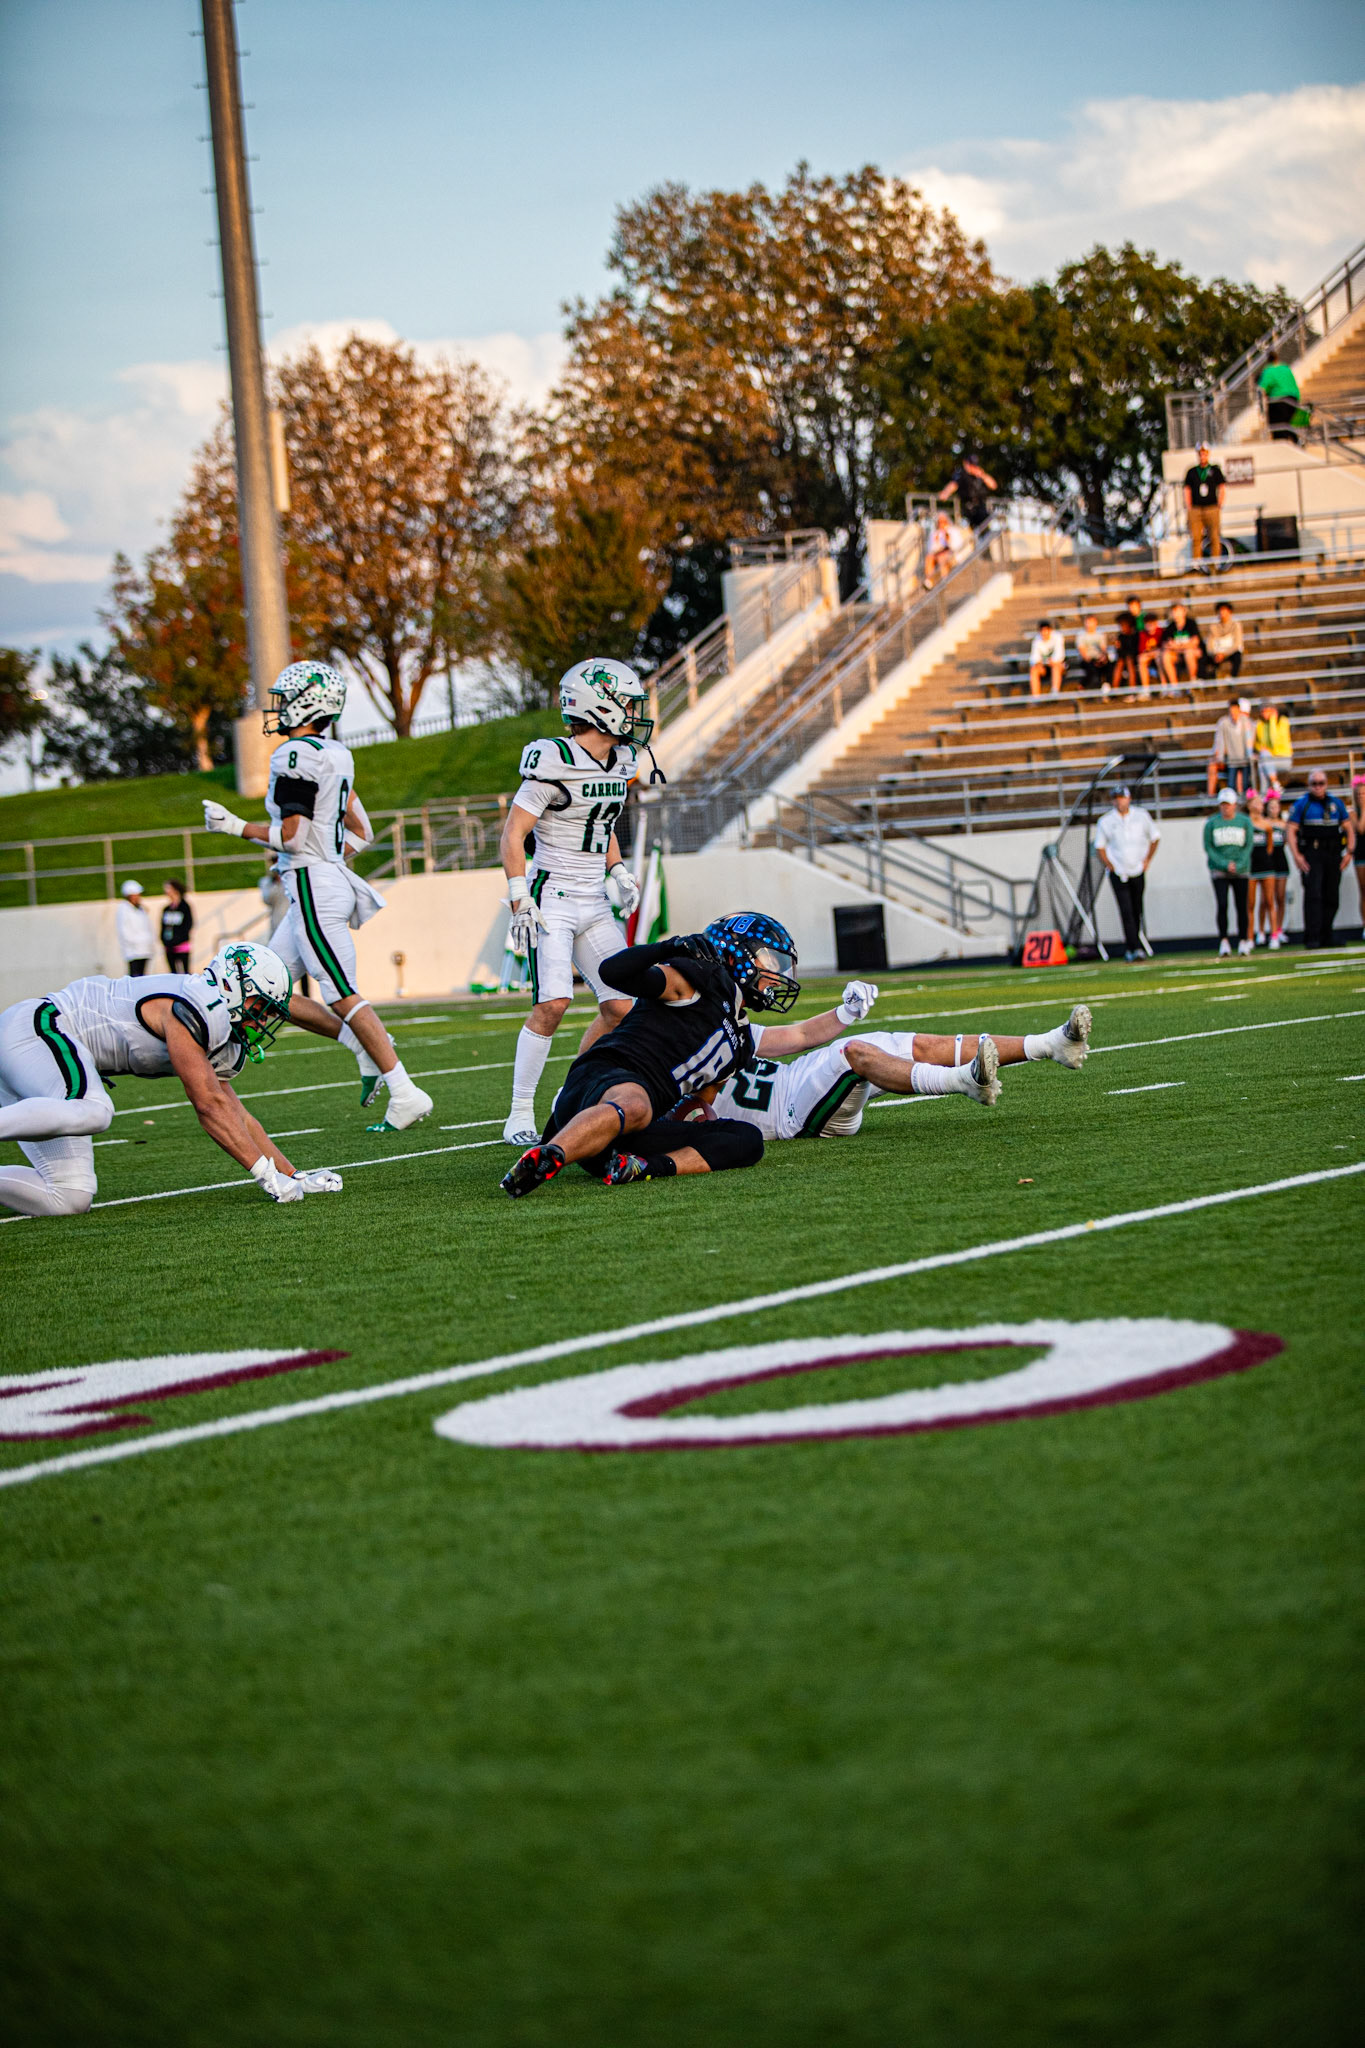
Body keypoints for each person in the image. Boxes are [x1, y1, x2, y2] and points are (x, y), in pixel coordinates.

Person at [202, 660, 432, 1131]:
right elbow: (362, 832)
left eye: (286, 700)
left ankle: (405, 1091)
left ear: (307, 704)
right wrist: (328, 859)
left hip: (311, 884)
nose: (278, 709)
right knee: (263, 987)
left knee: (342, 993)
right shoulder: (336, 753)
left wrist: (233, 826)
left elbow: (291, 837)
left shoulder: (294, 755)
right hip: (322, 880)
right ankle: (361, 1049)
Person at [0, 942, 342, 1218]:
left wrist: (292, 1175)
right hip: (38, 1028)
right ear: (234, 988)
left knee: (69, 1196)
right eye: (260, 1008)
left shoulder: (214, 1020)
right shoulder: (199, 1006)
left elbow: (235, 1114)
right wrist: (266, 1177)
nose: (262, 1020)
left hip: (39, 1057)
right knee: (94, 1110)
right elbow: (208, 1106)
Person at [501, 914, 833, 1196]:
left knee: (746, 1139)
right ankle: (549, 1156)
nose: (777, 977)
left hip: (626, 1131)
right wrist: (668, 947)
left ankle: (642, 1167)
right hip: (603, 1078)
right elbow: (613, 973)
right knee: (636, 1104)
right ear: (736, 957)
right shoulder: (699, 979)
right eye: (770, 963)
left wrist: (696, 1119)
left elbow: (700, 1102)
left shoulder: (741, 1040)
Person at [499, 658, 650, 1145]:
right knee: (553, 1003)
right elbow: (513, 833)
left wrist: (617, 869)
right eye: (626, 703)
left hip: (594, 899)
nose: (634, 713)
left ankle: (570, 1095)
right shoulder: (553, 760)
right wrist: (519, 895)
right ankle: (519, 1111)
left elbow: (601, 823)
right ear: (600, 706)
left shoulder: (621, 762)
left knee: (623, 1006)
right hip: (553, 897)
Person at [698, 1003, 1093, 1145]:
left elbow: (799, 1036)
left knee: (908, 1044)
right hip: (791, 1115)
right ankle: (964, 1082)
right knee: (853, 1055)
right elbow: (694, 1118)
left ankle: (1050, 1044)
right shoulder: (665, 1067)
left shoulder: (702, 1028)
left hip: (796, 1074)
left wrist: (845, 1011)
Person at [1287, 771, 1355, 949]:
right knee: (1314, 895)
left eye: (1321, 783)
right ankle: (1313, 936)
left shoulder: (1336, 803)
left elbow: (1348, 828)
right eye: (1314, 783)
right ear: (1309, 785)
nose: (1318, 787)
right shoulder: (1302, 804)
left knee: (1332, 895)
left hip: (1333, 854)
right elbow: (1291, 830)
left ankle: (1327, 934)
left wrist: (1349, 852)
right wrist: (1297, 855)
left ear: (1326, 784)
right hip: (1312, 853)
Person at [1093, 785, 1160, 961]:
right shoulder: (1106, 821)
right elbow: (1100, 846)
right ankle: (1133, 947)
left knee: (1137, 909)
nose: (1119, 801)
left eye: (1121, 798)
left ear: (1129, 798)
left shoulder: (1141, 816)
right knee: (1126, 910)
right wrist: (1110, 865)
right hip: (1118, 872)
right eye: (1116, 798)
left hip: (1137, 870)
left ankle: (1134, 944)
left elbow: (1155, 837)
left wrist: (1147, 859)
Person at [1204, 789, 1254, 957]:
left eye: (1228, 804)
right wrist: (1224, 864)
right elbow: (1209, 847)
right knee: (1222, 904)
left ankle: (1243, 940)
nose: (1225, 808)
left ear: (1234, 805)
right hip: (1219, 871)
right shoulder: (1212, 823)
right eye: (1223, 804)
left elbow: (1248, 845)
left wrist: (1238, 864)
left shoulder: (1244, 821)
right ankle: (1224, 941)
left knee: (1242, 906)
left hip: (1241, 870)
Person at [1249, 791, 1289, 949]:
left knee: (1278, 898)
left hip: (1276, 862)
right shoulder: (1260, 823)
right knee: (1261, 901)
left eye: (1276, 806)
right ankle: (1259, 932)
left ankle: (1277, 931)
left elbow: (1276, 845)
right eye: (1270, 806)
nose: (1273, 809)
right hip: (1259, 864)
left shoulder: (1281, 825)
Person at [1183, 443, 1226, 571]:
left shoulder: (1215, 470)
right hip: (1196, 509)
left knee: (1214, 536)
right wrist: (1189, 506)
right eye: (1201, 453)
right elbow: (1187, 489)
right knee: (1196, 537)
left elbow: (1222, 487)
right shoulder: (1191, 471)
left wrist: (1220, 504)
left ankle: (1215, 562)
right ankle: (1196, 564)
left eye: (1205, 453)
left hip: (1211, 508)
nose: (1203, 456)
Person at [938, 454, 997, 536]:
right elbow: (953, 485)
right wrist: (945, 493)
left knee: (986, 525)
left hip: (981, 506)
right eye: (971, 465)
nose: (973, 467)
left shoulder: (980, 475)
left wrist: (982, 475)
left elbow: (993, 485)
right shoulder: (961, 475)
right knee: (975, 527)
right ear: (966, 464)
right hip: (969, 508)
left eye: (975, 465)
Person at [1209, 696, 1255, 799]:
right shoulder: (1224, 723)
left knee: (1245, 784)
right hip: (1232, 760)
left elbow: (1250, 739)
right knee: (1231, 785)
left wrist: (1250, 754)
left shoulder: (1247, 722)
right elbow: (1221, 741)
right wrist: (1220, 757)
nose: (1233, 714)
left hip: (1244, 759)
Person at [1257, 353, 1301, 443]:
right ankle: (1296, 442)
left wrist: (1261, 408)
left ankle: (1282, 445)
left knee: (1278, 427)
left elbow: (1262, 389)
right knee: (1287, 424)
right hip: (1293, 399)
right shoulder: (1286, 368)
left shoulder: (1268, 370)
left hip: (1278, 400)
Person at [115, 879, 154, 977]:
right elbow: (125, 932)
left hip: (144, 949)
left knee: (143, 976)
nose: (138, 897)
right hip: (133, 951)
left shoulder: (140, 909)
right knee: (135, 977)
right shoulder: (124, 910)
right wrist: (138, 942)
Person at [1159, 602, 1202, 692]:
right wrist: (1182, 647)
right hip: (1178, 655)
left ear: (1184, 611)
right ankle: (1174, 687)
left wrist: (1178, 646)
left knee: (1189, 653)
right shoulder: (1170, 627)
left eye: (1178, 611)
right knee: (1165, 656)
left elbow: (1195, 642)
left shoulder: (1191, 623)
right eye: (1174, 611)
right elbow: (1166, 644)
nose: (1176, 614)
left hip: (1190, 652)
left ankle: (1193, 681)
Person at [1253, 700, 1292, 791]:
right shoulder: (1260, 725)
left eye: (1267, 711)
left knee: (1263, 761)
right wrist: (1260, 750)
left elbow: (1274, 741)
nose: (1264, 714)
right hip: (1268, 758)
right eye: (1263, 711)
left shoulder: (1283, 722)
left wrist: (1272, 721)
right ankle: (1273, 785)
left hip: (1283, 758)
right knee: (1262, 763)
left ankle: (1265, 792)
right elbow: (1258, 745)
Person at [1113, 597, 1145, 697]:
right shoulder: (1121, 636)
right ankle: (1114, 690)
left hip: (1135, 654)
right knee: (1120, 662)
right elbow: (1120, 650)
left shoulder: (1135, 634)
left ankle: (1132, 689)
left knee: (1129, 661)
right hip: (1124, 655)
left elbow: (1135, 647)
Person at [160, 878, 193, 975]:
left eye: (168, 888)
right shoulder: (166, 909)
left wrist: (178, 939)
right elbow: (163, 926)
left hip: (181, 946)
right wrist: (164, 940)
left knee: (185, 972)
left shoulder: (184, 907)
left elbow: (188, 924)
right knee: (173, 974)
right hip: (169, 946)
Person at [1205, 601, 1244, 681]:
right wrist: (1216, 654)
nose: (1222, 613)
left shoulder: (1236, 625)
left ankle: (1233, 678)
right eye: (1220, 610)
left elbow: (1237, 644)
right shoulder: (1213, 626)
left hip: (1231, 652)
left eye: (1224, 610)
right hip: (1217, 653)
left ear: (1230, 612)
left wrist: (1224, 654)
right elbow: (1209, 645)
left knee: (1237, 656)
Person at [1028, 619, 1066, 697]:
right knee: (1033, 670)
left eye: (1046, 631)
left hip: (1059, 666)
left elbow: (1060, 655)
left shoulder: (1057, 637)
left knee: (1056, 666)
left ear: (1050, 630)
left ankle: (1054, 693)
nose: (1044, 634)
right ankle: (1036, 697)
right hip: (1045, 667)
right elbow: (1034, 657)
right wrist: (1038, 663)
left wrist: (1049, 661)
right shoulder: (1036, 640)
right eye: (1042, 632)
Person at [1076, 614, 1112, 693]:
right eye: (1088, 622)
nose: (1089, 625)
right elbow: (1082, 651)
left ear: (1096, 623)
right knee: (1092, 669)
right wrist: (1092, 661)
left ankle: (1107, 685)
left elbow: (1103, 648)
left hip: (1098, 658)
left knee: (1108, 665)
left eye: (1091, 622)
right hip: (1087, 659)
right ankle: (1082, 686)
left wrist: (1102, 657)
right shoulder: (1081, 634)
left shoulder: (1100, 633)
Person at [923, 511, 959, 589]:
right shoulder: (935, 533)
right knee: (929, 558)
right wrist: (936, 542)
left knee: (942, 557)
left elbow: (956, 546)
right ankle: (928, 580)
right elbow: (930, 549)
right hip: (937, 554)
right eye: (939, 522)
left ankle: (944, 579)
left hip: (949, 553)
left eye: (943, 522)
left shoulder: (953, 531)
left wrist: (948, 539)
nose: (941, 524)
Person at [1354, 777, 1365, 938]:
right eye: (1359, 794)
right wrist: (1363, 809)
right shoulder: (1353, 813)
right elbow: (1361, 829)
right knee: (1364, 890)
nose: (1362, 796)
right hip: (1361, 854)